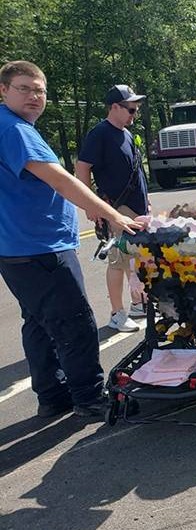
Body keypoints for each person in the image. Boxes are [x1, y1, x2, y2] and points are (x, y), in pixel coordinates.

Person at [0, 60, 142, 418]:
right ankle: (90, 398)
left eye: (39, 90)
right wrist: (111, 214)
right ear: (3, 90)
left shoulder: (9, 126)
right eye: (24, 88)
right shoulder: (14, 130)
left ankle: (53, 395)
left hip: (17, 246)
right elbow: (61, 180)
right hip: (40, 247)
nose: (34, 96)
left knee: (39, 322)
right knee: (75, 322)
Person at [76, 84, 149, 332]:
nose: (134, 114)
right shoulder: (100, 134)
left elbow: (134, 171)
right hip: (117, 208)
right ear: (114, 107)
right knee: (118, 261)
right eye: (130, 109)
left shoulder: (125, 134)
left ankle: (139, 303)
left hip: (135, 208)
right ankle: (117, 313)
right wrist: (90, 205)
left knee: (135, 258)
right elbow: (82, 167)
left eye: (136, 109)